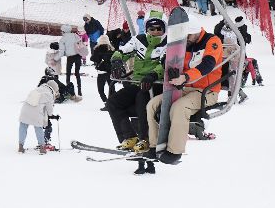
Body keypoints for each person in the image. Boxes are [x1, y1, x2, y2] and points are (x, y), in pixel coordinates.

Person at [142, 22, 224, 167]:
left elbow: (207, 65)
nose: (186, 39)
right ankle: (155, 146)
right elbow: (171, 58)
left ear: (196, 31)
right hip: (185, 87)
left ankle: (175, 151)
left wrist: (185, 77)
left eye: (188, 35)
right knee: (152, 105)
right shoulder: (185, 43)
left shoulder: (212, 41)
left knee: (179, 107)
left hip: (206, 90)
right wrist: (169, 67)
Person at [107, 17, 166, 151]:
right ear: (147, 29)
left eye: (159, 29)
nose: (155, 31)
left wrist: (153, 75)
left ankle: (145, 139)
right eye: (152, 28)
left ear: (164, 29)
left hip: (155, 84)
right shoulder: (139, 40)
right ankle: (129, 137)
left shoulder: (167, 43)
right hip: (137, 82)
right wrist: (117, 61)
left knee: (141, 99)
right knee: (113, 102)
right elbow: (122, 51)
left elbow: (166, 63)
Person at [19, 79, 59, 154]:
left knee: (23, 127)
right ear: (54, 89)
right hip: (36, 113)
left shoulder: (37, 89)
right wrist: (53, 116)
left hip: (25, 110)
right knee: (38, 128)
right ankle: (42, 148)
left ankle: (20, 146)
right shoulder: (49, 94)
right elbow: (50, 112)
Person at [89, 34, 116, 106]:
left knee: (100, 89)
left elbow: (93, 58)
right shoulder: (111, 49)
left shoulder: (97, 49)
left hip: (101, 72)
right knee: (112, 88)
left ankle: (106, 102)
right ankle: (113, 103)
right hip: (110, 71)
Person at [58, 25, 84, 98]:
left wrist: (55, 58)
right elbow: (81, 44)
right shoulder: (75, 35)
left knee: (68, 73)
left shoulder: (63, 39)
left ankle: (68, 90)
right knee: (77, 73)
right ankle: (79, 91)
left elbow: (62, 51)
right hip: (78, 56)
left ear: (64, 31)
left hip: (70, 57)